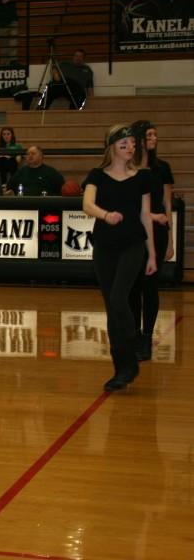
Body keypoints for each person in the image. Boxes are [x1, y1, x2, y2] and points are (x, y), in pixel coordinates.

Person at [82, 125, 156, 392]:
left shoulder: (142, 178)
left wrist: (153, 255)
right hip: (104, 247)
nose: (130, 148)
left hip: (133, 245)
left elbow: (145, 216)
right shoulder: (97, 176)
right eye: (123, 144)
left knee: (118, 299)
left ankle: (133, 342)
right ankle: (122, 368)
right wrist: (105, 215)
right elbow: (87, 204)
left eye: (132, 144)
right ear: (111, 147)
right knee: (112, 308)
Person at [128, 120, 174, 361]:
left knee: (150, 286)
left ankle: (147, 336)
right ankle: (135, 334)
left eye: (156, 134)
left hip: (157, 232)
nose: (154, 138)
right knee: (133, 286)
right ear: (140, 139)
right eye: (150, 134)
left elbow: (167, 204)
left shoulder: (163, 168)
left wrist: (171, 241)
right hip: (135, 231)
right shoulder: (129, 168)